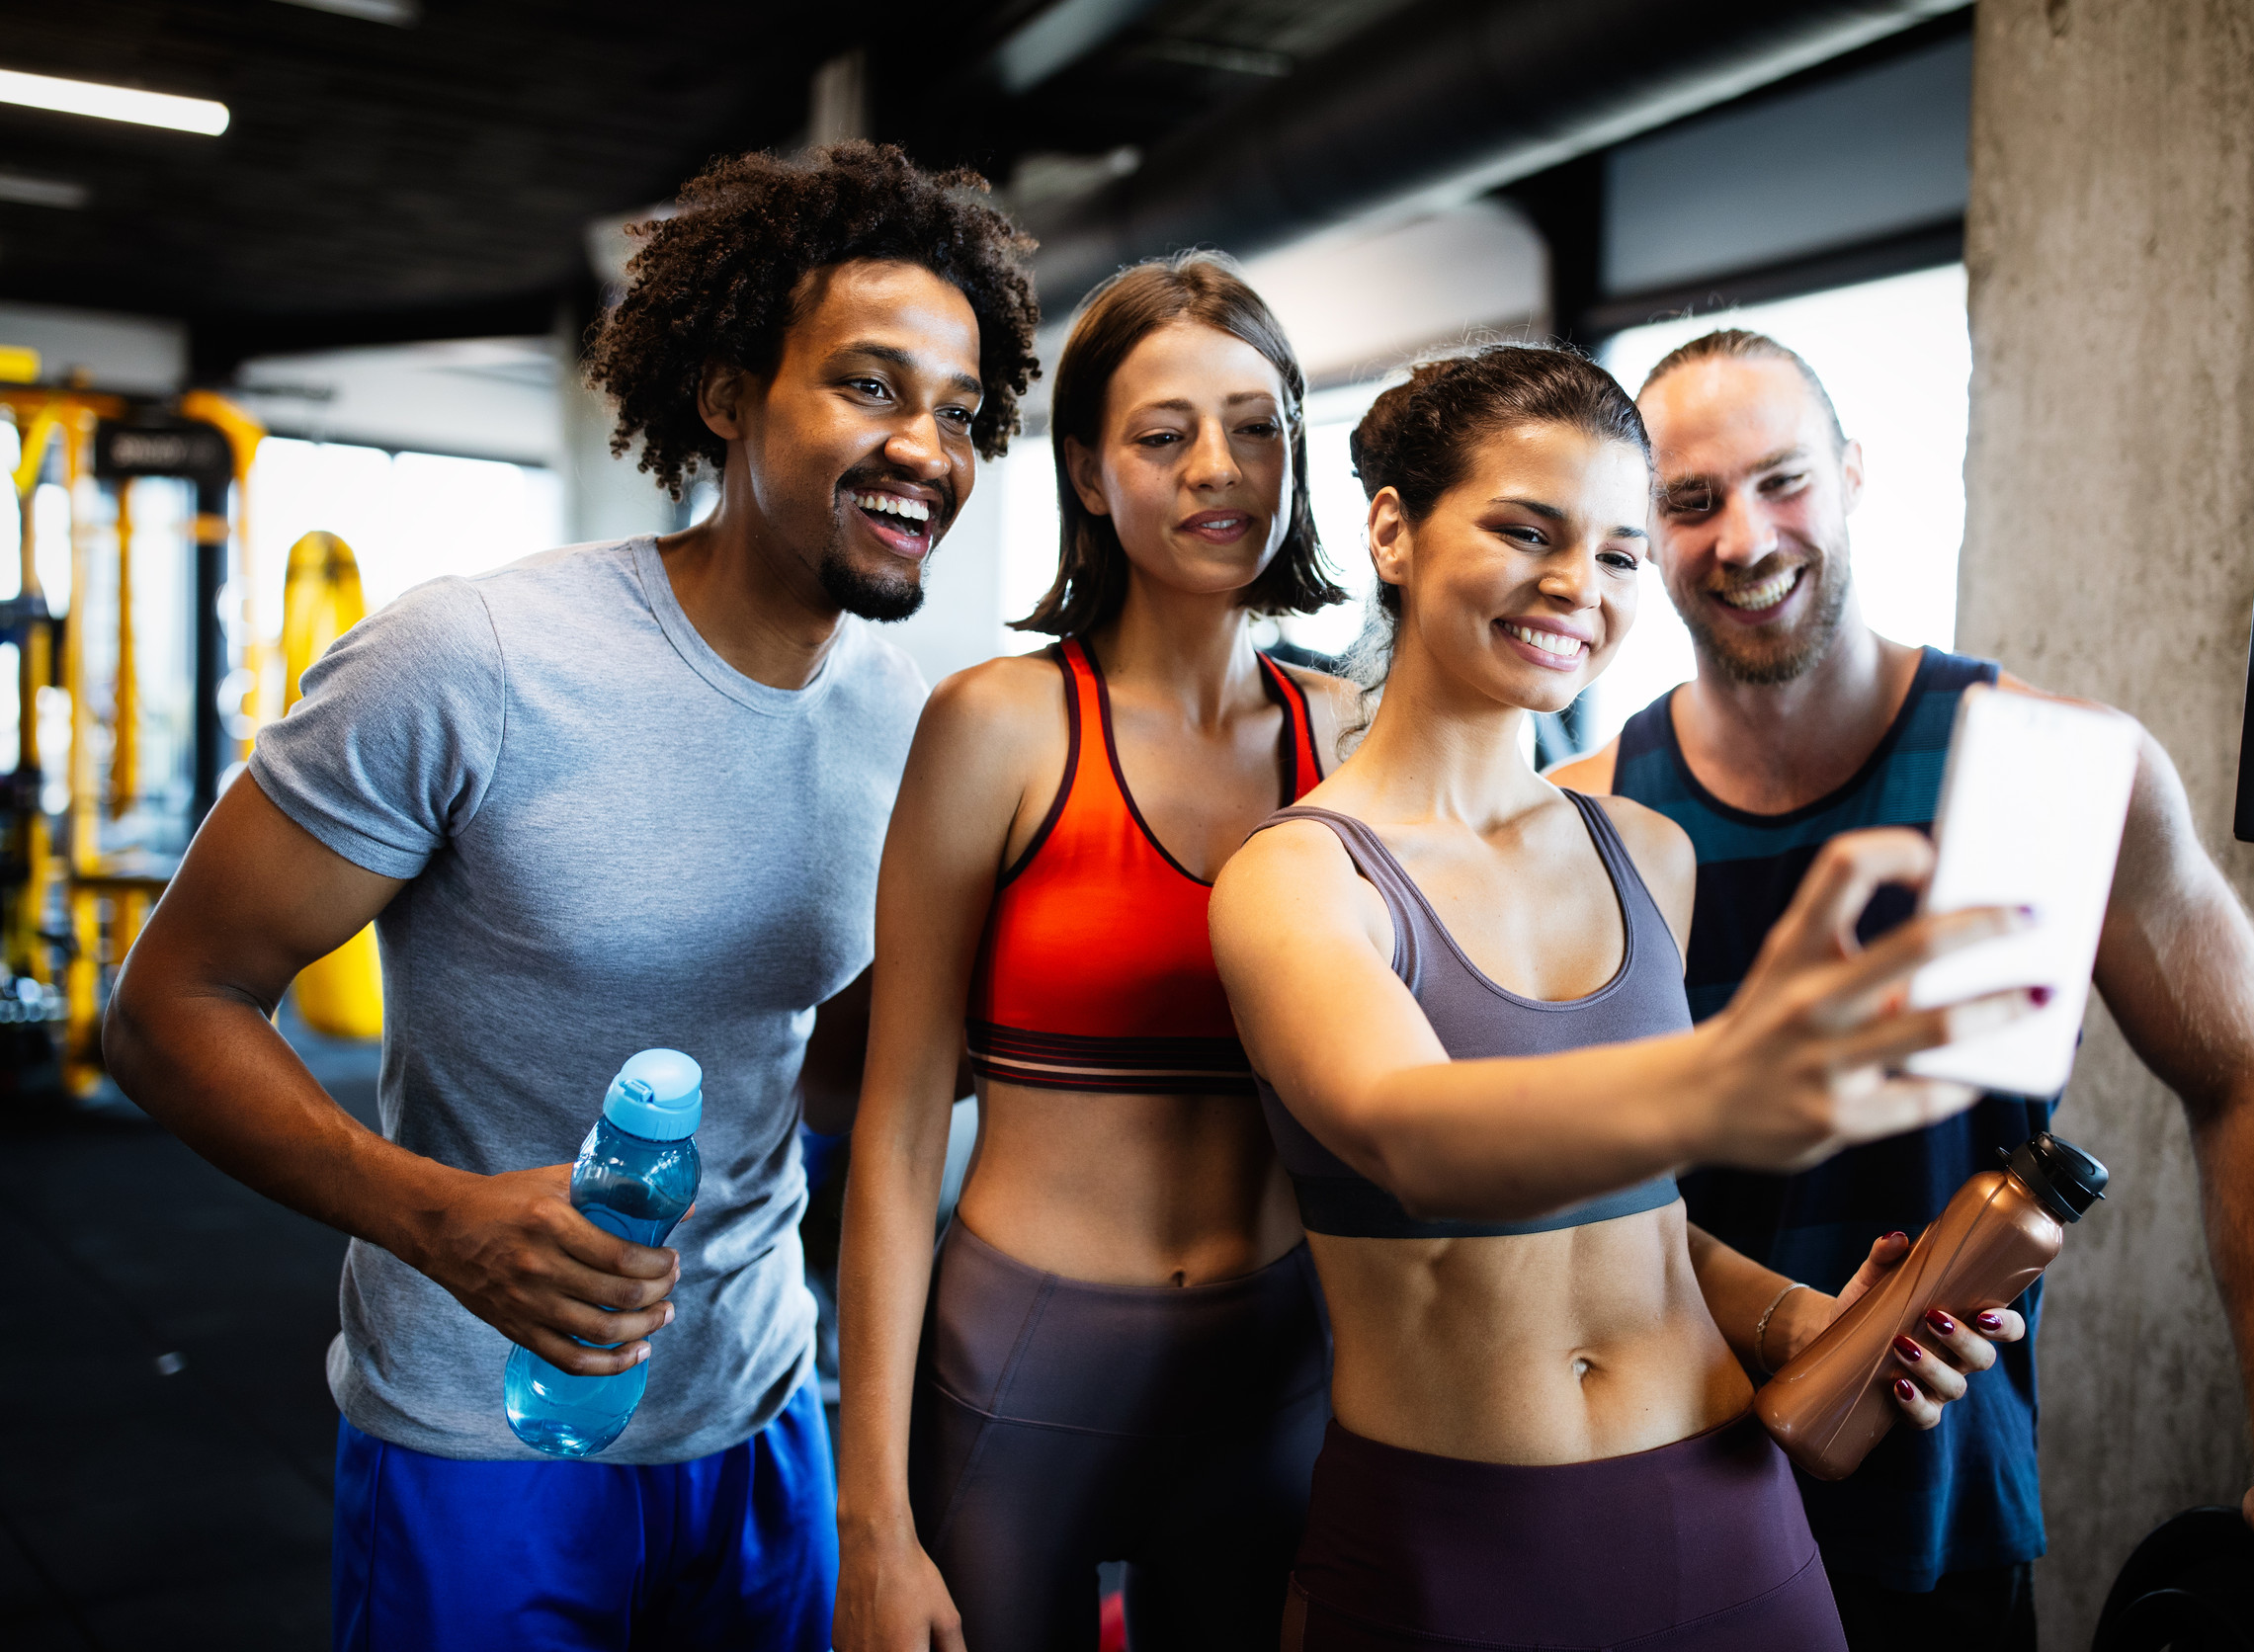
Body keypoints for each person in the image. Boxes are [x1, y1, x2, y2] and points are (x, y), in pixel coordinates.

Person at [102, 143, 1040, 1651]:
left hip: (760, 1416)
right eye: (870, 387)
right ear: (728, 393)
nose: (927, 445)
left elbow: (836, 1072)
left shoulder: (905, 720)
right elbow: (166, 1010)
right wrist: (442, 1219)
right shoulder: (471, 658)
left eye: (962, 410)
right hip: (486, 1436)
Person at [1549, 327, 2254, 1652]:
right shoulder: (1584, 822)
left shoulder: (2053, 770)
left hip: (1941, 1520)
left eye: (1783, 481)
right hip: (1650, 1488)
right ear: (1640, 526)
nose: (1745, 538)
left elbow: (2249, 1079)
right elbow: (1551, 1195)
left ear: (1854, 476)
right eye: (1689, 502)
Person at [1209, 345, 2040, 1652]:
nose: (1574, 587)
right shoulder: (1297, 880)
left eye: (1614, 554)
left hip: (1730, 1523)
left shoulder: (1646, 850)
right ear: (1392, 531)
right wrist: (1717, 1085)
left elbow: (1637, 1223)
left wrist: (1805, 1320)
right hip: (1450, 1548)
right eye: (1523, 530)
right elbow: (1411, 1136)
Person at [834, 252, 1354, 1652]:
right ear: (1084, 472)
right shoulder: (997, 726)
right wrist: (869, 1525)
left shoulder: (1352, 739)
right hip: (1023, 1361)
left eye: (1258, 426)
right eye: (1162, 435)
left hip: (1280, 1361)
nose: (1218, 471)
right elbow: (892, 1135)